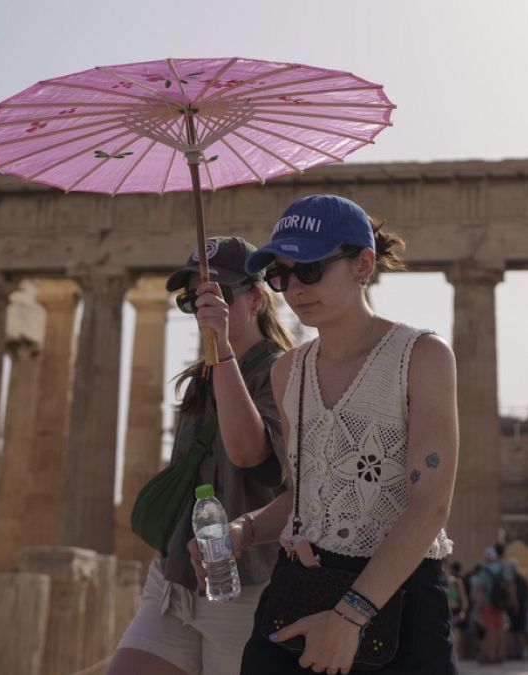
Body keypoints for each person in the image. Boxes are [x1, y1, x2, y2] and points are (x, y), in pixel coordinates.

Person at [233, 194, 459, 675]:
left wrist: (350, 615)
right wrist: (244, 530)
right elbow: (306, 495)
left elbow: (431, 504)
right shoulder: (286, 372)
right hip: (298, 589)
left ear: (363, 265)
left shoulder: (422, 357)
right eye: (281, 274)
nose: (294, 287)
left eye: (310, 269)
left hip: (397, 600)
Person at [108, 237, 295, 675]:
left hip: (245, 586)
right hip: (175, 578)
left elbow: (251, 456)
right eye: (194, 298)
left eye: (220, 294)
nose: (205, 306)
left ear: (255, 298)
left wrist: (225, 351)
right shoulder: (200, 379)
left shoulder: (282, 371)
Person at [472, 546, 512, 664]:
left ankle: (491, 655)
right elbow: (509, 585)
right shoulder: (504, 568)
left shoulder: (484, 571)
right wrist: (512, 601)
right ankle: (501, 654)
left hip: (488, 603)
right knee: (501, 628)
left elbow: (479, 591)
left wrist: (477, 608)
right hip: (501, 604)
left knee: (490, 629)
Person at [444, 560, 469, 658]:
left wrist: (463, 611)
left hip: (454, 610)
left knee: (456, 632)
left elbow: (464, 598)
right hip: (444, 610)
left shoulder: (456, 581)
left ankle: (455, 653)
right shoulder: (439, 581)